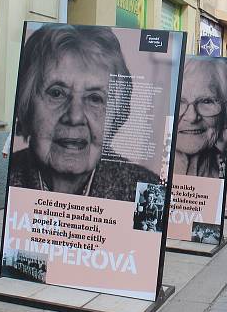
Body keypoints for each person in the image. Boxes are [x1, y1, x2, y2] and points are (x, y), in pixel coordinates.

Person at [8, 24, 158, 200]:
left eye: (95, 98)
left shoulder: (147, 191)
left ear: (115, 114)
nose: (75, 116)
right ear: (27, 106)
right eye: (57, 93)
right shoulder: (11, 175)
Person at [174, 58, 227, 179]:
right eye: (180, 101)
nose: (192, 117)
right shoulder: (145, 174)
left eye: (206, 101)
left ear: (226, 115)